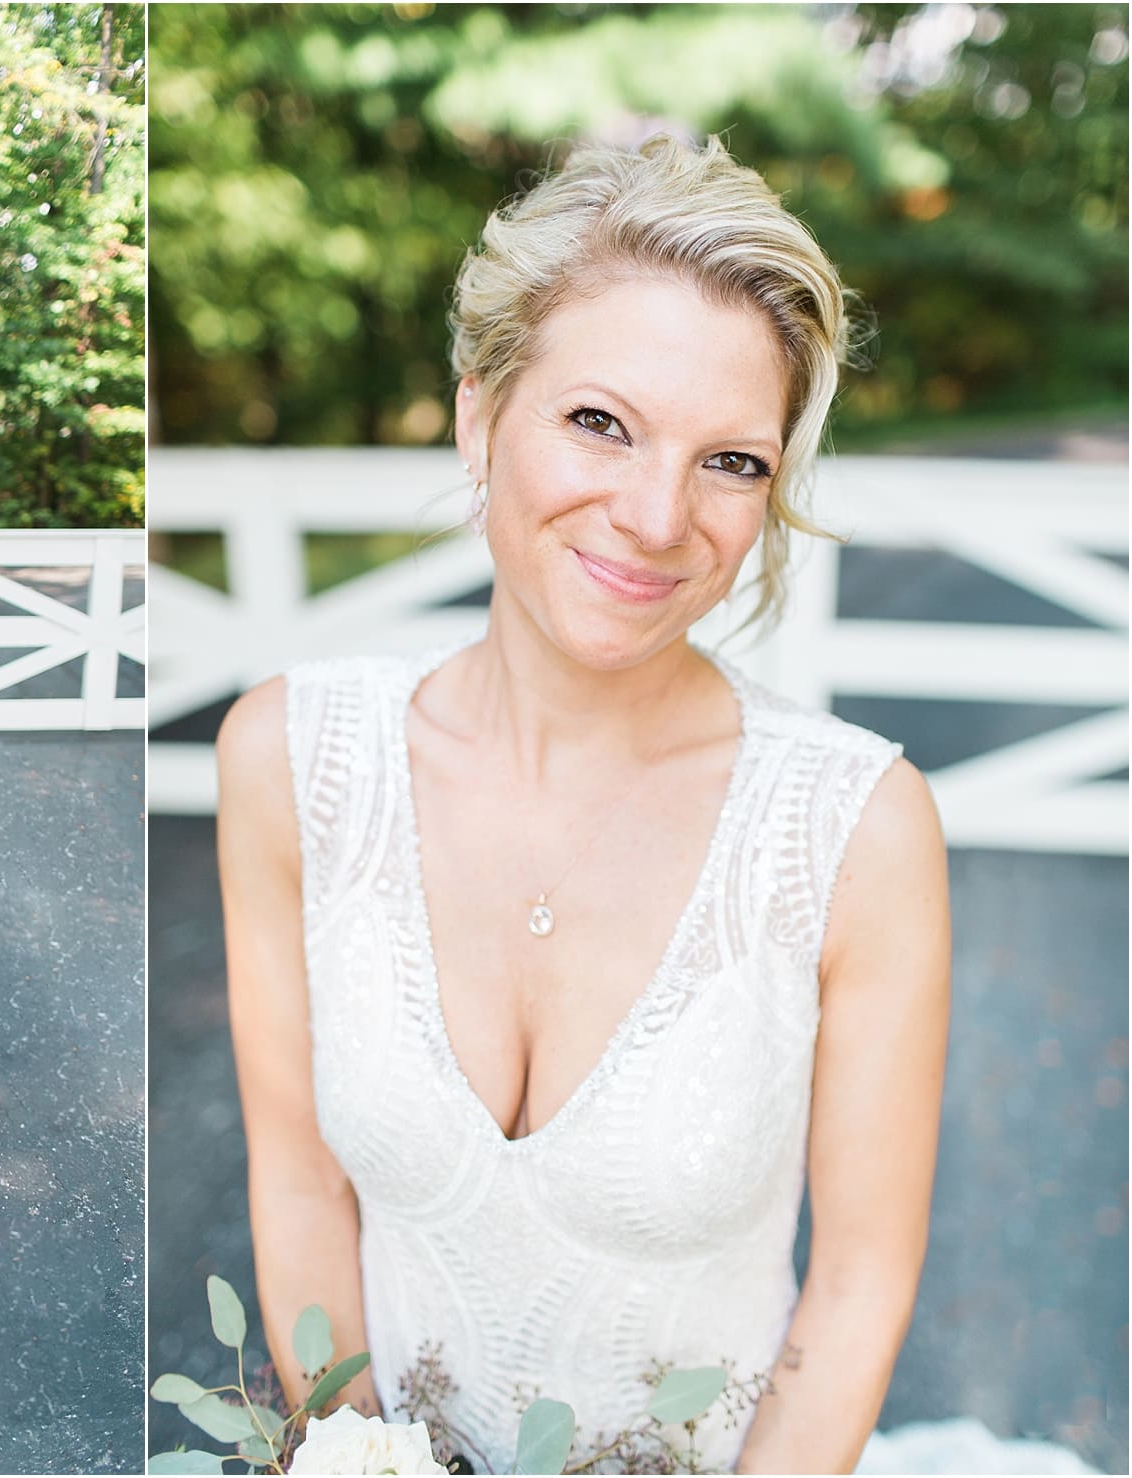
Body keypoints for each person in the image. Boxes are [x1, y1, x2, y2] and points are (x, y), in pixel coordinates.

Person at [216, 138, 952, 1473]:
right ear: (474, 414)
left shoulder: (858, 830)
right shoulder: (288, 761)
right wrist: (343, 1448)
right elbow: (300, 1181)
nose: (653, 514)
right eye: (598, 423)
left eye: (728, 460)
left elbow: (850, 1289)